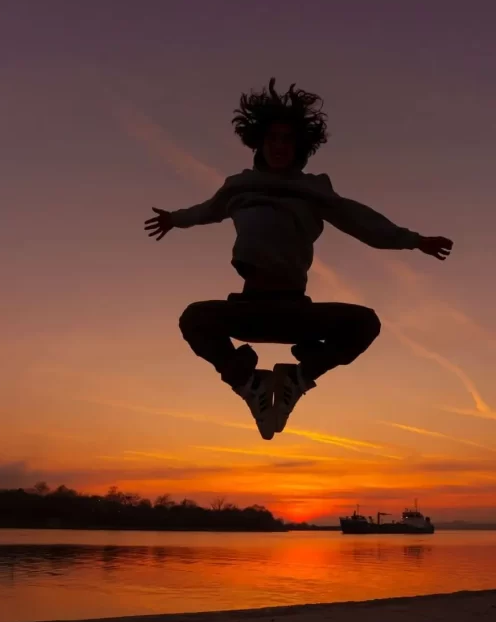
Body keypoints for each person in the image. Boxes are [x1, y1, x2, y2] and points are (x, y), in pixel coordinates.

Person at [144, 79, 452, 440]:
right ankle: (249, 383)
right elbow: (206, 210)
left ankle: (298, 378)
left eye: (287, 139)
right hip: (249, 309)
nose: (279, 146)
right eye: (273, 138)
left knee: (365, 323)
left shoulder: (314, 190)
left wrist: (415, 241)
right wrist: (173, 219)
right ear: (260, 142)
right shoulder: (238, 187)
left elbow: (362, 221)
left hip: (296, 312)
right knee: (194, 318)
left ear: (299, 147)